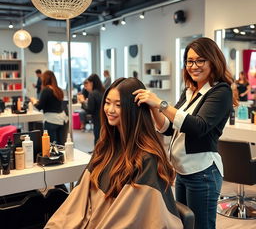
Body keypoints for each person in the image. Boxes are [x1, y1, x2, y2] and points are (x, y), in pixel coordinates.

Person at [45, 77, 183, 229]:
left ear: (133, 110)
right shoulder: (106, 147)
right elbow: (81, 196)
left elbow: (130, 218)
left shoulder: (146, 159)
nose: (110, 110)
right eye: (107, 102)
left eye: (118, 105)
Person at [134, 37, 238, 229]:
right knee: (183, 223)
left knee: (201, 225)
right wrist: (154, 109)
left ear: (212, 61)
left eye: (200, 60)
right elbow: (169, 129)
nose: (194, 66)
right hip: (182, 171)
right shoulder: (189, 92)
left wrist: (161, 104)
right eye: (190, 61)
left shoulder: (220, 91)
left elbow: (198, 126)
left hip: (203, 173)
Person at [30, 70, 68, 146]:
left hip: (51, 120)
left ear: (45, 79)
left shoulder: (46, 90)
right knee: (61, 146)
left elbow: (40, 106)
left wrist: (34, 101)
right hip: (62, 119)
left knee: (51, 146)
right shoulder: (58, 89)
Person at [80, 74, 105, 145]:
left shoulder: (93, 94)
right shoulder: (103, 91)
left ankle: (97, 154)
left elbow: (89, 110)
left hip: (97, 120)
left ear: (92, 83)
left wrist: (82, 102)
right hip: (104, 119)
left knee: (97, 140)